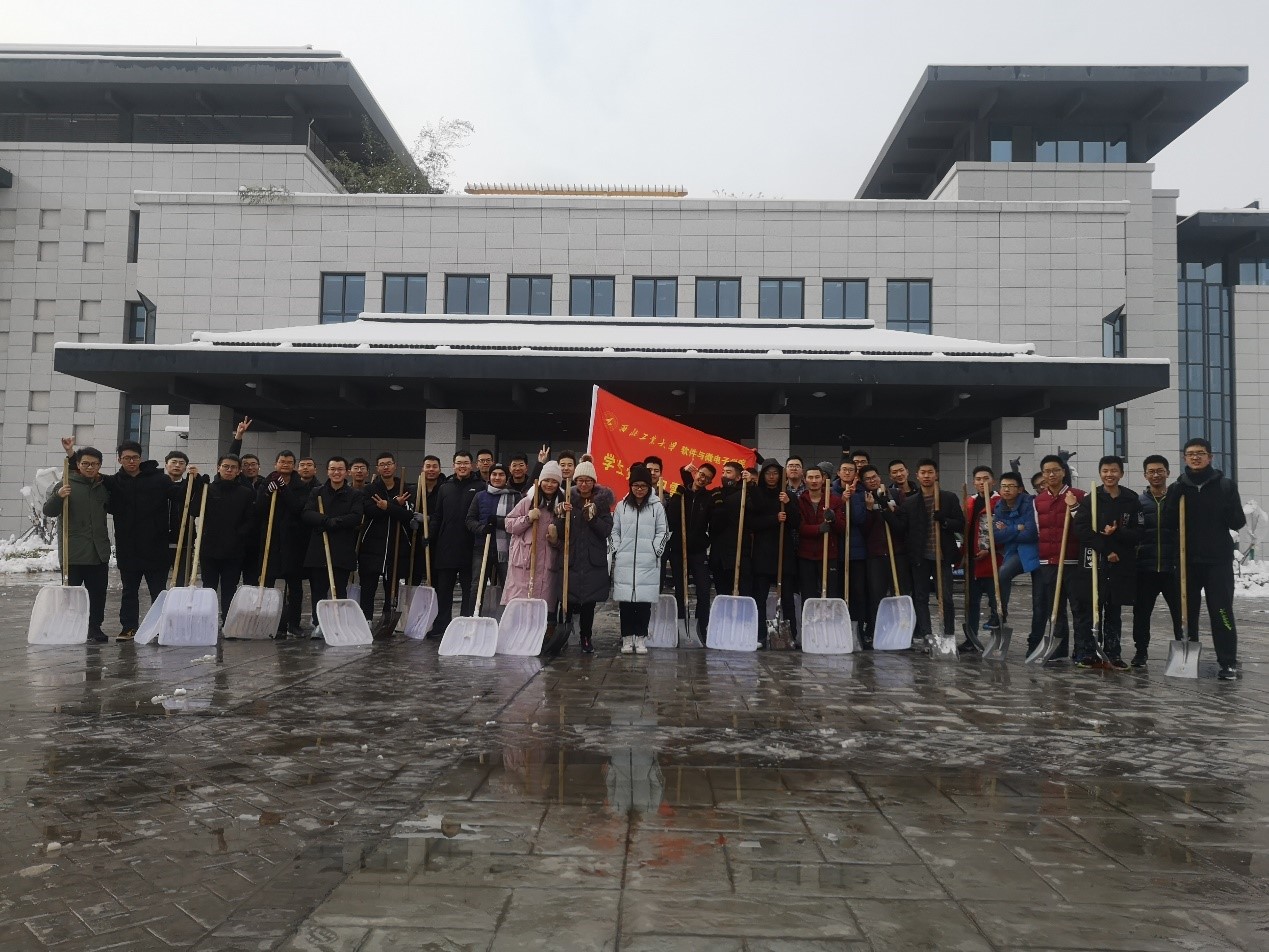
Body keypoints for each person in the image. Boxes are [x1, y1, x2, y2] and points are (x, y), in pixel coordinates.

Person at [1163, 438, 1246, 680]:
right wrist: (1173, 498)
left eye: (1200, 453)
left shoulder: (1225, 486)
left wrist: (1228, 505)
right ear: (1184, 458)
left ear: (1210, 457)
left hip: (1217, 562)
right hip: (1187, 561)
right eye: (1190, 453)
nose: (1195, 457)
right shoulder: (1178, 487)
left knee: (1221, 612)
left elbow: (1238, 522)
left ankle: (1228, 661)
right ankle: (1188, 660)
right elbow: (1168, 523)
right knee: (1186, 614)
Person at [99, 439, 173, 641]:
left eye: (135, 457)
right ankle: (129, 627)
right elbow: (86, 471)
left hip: (156, 546)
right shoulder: (114, 482)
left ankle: (160, 626)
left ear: (141, 458)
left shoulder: (159, 479)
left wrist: (195, 481)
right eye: (126, 458)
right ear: (119, 459)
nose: (131, 461)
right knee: (129, 591)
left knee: (158, 591)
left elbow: (180, 495)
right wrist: (71, 453)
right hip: (128, 547)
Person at [1073, 455, 1142, 669]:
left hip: (1121, 563)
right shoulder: (1092, 498)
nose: (1109, 474)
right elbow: (1081, 529)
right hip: (1095, 561)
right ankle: (1088, 652)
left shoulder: (1131, 499)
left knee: (1114, 610)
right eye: (1105, 471)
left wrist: (1118, 532)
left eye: (1113, 471)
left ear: (1121, 473)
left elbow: (1139, 532)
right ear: (1100, 473)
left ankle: (1113, 653)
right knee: (1091, 607)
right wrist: (1105, 549)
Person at [45, 443, 111, 642]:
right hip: (73, 552)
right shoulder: (66, 484)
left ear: (100, 466)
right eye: (86, 463)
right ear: (79, 465)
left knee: (97, 594)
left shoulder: (103, 487)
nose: (90, 467)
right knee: (71, 595)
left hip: (98, 551)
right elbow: (49, 511)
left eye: (94, 464)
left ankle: (94, 627)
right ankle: (69, 626)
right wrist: (58, 496)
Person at [1030, 454, 1091, 662]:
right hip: (1049, 562)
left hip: (1073, 562)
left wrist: (1073, 506)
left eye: (1055, 470)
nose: (1051, 474)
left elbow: (1087, 526)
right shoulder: (1038, 501)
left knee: (1079, 607)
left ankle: (1082, 650)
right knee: (1054, 608)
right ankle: (1059, 649)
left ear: (1063, 472)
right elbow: (1039, 530)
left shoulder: (1079, 495)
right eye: (1047, 471)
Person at [898, 459, 963, 648]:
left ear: (936, 475)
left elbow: (960, 523)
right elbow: (903, 529)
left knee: (946, 597)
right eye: (923, 473)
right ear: (917, 476)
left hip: (942, 556)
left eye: (930, 472)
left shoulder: (948, 498)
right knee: (921, 597)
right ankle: (927, 634)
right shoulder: (910, 503)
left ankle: (948, 634)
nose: (926, 476)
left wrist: (945, 521)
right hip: (921, 557)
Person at [185, 455, 258, 623]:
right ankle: (207, 621)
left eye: (233, 467)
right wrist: (198, 487)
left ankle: (227, 621)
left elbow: (250, 519)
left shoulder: (246, 493)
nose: (229, 470)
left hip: (234, 550)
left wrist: (239, 535)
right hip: (209, 548)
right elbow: (194, 511)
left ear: (239, 471)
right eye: (226, 466)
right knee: (209, 588)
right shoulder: (208, 489)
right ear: (218, 468)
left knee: (229, 588)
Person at [609, 463, 669, 654]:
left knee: (643, 603)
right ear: (630, 485)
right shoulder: (622, 506)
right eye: (636, 485)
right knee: (626, 603)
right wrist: (617, 549)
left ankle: (641, 637)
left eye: (643, 485)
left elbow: (663, 531)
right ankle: (627, 638)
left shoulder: (657, 507)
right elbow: (614, 531)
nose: (639, 489)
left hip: (648, 562)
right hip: (625, 561)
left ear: (649, 486)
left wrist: (655, 551)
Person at [301, 456, 365, 629]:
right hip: (319, 547)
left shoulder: (354, 494)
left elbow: (356, 516)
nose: (336, 472)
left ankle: (339, 623)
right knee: (318, 590)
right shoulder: (317, 492)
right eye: (333, 469)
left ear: (347, 472)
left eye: (340, 469)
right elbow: (307, 513)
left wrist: (335, 522)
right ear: (327, 471)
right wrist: (324, 521)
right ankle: (319, 624)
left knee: (340, 589)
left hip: (342, 549)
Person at [558, 460, 615, 653]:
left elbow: (606, 530)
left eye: (588, 480)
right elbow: (560, 531)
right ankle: (565, 635)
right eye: (580, 480)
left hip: (592, 560)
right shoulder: (567, 499)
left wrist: (592, 518)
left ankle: (586, 637)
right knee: (567, 599)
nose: (583, 484)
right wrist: (560, 515)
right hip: (572, 558)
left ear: (593, 482)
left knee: (588, 603)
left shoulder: (602, 503)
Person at [429, 451, 486, 637]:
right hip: (446, 546)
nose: (462, 466)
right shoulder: (445, 488)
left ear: (472, 465)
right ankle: (442, 626)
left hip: (471, 547)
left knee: (469, 590)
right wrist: (430, 535)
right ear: (453, 465)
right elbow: (437, 515)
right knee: (444, 590)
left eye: (466, 463)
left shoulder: (480, 487)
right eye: (459, 463)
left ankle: (465, 625)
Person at [1132, 454, 1181, 667]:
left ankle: (1183, 648)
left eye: (1160, 471)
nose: (1156, 475)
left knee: (1181, 613)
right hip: (1145, 568)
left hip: (1173, 568)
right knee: (1142, 613)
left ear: (1168, 473)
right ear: (1145, 475)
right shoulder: (1138, 502)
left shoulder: (1178, 500)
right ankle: (1141, 652)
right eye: (1151, 471)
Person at [257, 450, 312, 638]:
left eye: (289, 462)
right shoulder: (266, 483)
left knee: (294, 586)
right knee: (268, 583)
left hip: (293, 541)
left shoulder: (301, 486)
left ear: (294, 465)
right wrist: (267, 493)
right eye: (282, 461)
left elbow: (297, 507)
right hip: (271, 540)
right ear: (276, 464)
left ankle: (293, 623)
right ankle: (267, 623)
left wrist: (283, 489)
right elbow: (259, 509)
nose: (285, 464)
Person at [357, 452, 414, 626]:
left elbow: (407, 515)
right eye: (382, 464)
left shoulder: (405, 488)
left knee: (392, 586)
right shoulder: (370, 489)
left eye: (389, 463)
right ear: (377, 468)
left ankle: (387, 619)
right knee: (368, 585)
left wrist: (387, 506)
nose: (386, 467)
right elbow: (370, 512)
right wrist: (394, 504)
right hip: (372, 546)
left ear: (395, 466)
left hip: (397, 546)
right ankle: (366, 619)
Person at [748, 459, 799, 648]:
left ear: (780, 475)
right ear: (763, 475)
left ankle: (791, 635)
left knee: (787, 599)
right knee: (759, 597)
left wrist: (788, 504)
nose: (772, 477)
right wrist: (774, 519)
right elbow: (752, 523)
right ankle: (760, 635)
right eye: (768, 473)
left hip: (784, 553)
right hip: (763, 553)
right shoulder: (757, 494)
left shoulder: (787, 495)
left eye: (775, 473)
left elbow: (796, 523)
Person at [502, 460, 565, 615]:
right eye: (546, 480)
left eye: (554, 481)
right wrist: (527, 519)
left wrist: (555, 541)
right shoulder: (528, 502)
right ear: (540, 482)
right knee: (519, 609)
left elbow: (566, 542)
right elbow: (509, 525)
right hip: (524, 564)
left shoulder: (561, 508)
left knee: (540, 611)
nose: (549, 485)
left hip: (546, 566)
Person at [669, 461, 717, 642]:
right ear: (696, 473)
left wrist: (705, 540)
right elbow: (671, 518)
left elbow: (714, 522)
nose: (703, 479)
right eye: (701, 474)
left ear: (710, 482)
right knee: (680, 592)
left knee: (703, 590)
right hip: (678, 549)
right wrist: (677, 495)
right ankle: (681, 627)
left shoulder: (709, 498)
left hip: (698, 551)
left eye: (707, 478)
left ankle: (701, 628)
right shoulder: (681, 493)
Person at [859, 464, 907, 645]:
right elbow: (864, 530)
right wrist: (869, 510)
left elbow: (901, 524)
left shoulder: (894, 494)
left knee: (899, 593)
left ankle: (901, 630)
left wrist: (887, 507)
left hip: (897, 552)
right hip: (876, 554)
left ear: (880, 477)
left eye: (874, 477)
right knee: (876, 595)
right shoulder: (864, 498)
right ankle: (875, 630)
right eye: (867, 479)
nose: (872, 481)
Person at [465, 462, 523, 602]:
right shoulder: (480, 496)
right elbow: (470, 519)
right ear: (489, 476)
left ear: (507, 477)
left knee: (509, 586)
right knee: (477, 586)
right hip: (482, 547)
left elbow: (520, 521)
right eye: (494, 474)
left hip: (506, 549)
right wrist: (482, 529)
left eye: (501, 474)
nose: (497, 477)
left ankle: (507, 614)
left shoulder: (515, 497)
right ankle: (475, 613)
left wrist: (499, 522)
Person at [960, 465, 1001, 652]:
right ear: (974, 482)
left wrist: (991, 548)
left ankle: (997, 640)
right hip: (972, 562)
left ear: (993, 481)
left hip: (993, 562)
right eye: (978, 479)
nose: (981, 482)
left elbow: (1003, 531)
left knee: (996, 603)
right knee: (971, 603)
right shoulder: (969, 502)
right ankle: (971, 639)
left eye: (985, 478)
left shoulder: (999, 502)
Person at [991, 472, 1039, 618]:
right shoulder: (999, 506)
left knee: (1039, 597)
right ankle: (1000, 614)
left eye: (1011, 486)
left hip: (1033, 550)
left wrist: (1007, 530)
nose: (1006, 489)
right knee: (1002, 575)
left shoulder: (1030, 503)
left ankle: (1000, 614)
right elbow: (996, 536)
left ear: (1020, 489)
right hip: (1012, 550)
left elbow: (1030, 533)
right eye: (1003, 486)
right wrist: (1017, 527)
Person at [796, 463, 845, 605]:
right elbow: (799, 527)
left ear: (823, 479)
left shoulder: (834, 500)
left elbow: (842, 527)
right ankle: (809, 619)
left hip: (829, 554)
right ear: (805, 480)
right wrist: (818, 529)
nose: (814, 480)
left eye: (817, 477)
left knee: (830, 594)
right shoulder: (800, 501)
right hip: (806, 555)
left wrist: (833, 519)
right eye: (810, 477)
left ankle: (828, 618)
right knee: (808, 595)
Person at [710, 461, 755, 605]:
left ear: (738, 477)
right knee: (723, 596)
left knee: (743, 596)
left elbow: (757, 507)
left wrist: (751, 485)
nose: (724, 475)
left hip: (739, 552)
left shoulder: (746, 493)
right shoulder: (716, 493)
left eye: (728, 472)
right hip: (719, 554)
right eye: (723, 472)